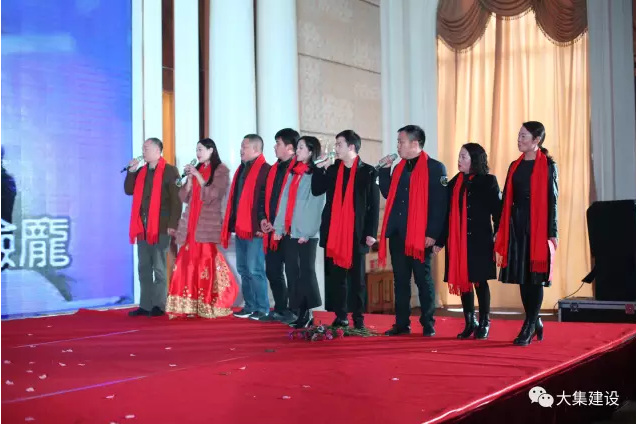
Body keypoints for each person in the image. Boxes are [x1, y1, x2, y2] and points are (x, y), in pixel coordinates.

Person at [378, 125, 447, 337]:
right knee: (400, 280)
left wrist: (433, 234)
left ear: (415, 143)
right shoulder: (399, 168)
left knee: (422, 279)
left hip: (420, 234)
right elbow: (388, 193)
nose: (398, 146)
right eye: (398, 142)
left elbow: (440, 205)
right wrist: (384, 170)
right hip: (398, 233)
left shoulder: (435, 168)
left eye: (401, 142)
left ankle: (428, 323)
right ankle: (402, 323)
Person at [495, 121, 558, 346]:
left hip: (538, 226)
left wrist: (553, 232)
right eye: (519, 135)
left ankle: (530, 324)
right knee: (523, 277)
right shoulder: (515, 165)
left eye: (523, 136)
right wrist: (499, 228)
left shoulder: (548, 165)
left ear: (536, 140)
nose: (519, 139)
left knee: (536, 278)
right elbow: (505, 199)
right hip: (516, 225)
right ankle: (534, 320)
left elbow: (553, 201)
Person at [312, 130, 379, 329]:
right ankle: (341, 316)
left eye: (339, 144)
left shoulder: (368, 171)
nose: (336, 148)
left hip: (357, 233)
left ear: (351, 147)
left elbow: (374, 205)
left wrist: (371, 232)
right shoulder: (333, 170)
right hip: (335, 232)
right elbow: (317, 190)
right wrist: (319, 169)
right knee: (337, 278)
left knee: (357, 280)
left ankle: (358, 318)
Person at [434, 143, 501, 339]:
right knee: (464, 281)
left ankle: (485, 322)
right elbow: (446, 215)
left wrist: (499, 232)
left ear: (475, 160)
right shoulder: (454, 183)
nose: (459, 160)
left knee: (479, 281)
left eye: (463, 156)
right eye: (459, 156)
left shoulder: (488, 181)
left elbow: (498, 211)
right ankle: (470, 322)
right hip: (457, 240)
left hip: (480, 239)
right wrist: (440, 240)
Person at [166, 138, 237, 319]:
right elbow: (184, 197)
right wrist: (189, 181)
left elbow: (214, 195)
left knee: (205, 262)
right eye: (196, 150)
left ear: (211, 150)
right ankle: (189, 305)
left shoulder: (220, 170)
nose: (198, 153)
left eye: (201, 149)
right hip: (191, 223)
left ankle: (207, 303)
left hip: (207, 225)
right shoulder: (198, 169)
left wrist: (198, 175)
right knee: (188, 263)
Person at [125, 137, 182, 317]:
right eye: (143, 148)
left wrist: (173, 224)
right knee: (144, 267)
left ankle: (159, 304)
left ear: (158, 151)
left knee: (159, 267)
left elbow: (177, 201)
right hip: (142, 226)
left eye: (147, 148)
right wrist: (131, 172)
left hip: (161, 227)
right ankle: (145, 304)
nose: (143, 151)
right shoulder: (141, 171)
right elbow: (128, 190)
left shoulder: (170, 171)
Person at [273, 136, 326, 328]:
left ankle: (308, 312)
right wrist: (279, 228)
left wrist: (307, 232)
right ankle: (299, 312)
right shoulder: (293, 173)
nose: (297, 151)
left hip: (306, 233)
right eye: (298, 147)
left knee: (306, 272)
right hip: (290, 231)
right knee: (292, 272)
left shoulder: (317, 174)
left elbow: (316, 206)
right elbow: (284, 202)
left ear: (311, 151)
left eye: (301, 147)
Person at [221, 134, 272, 320]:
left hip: (255, 229)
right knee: (243, 269)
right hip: (241, 227)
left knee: (255, 269)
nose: (241, 150)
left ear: (256, 149)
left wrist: (261, 222)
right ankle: (250, 306)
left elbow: (265, 201)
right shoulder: (241, 169)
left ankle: (262, 308)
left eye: (244, 147)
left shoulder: (266, 170)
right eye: (241, 146)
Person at [258, 128, 300, 324]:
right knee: (273, 270)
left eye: (278, 144)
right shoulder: (272, 170)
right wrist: (263, 219)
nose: (274, 147)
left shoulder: (299, 169)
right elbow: (263, 197)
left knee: (293, 273)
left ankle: (296, 311)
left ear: (290, 148)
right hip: (272, 230)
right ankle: (281, 309)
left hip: (291, 231)